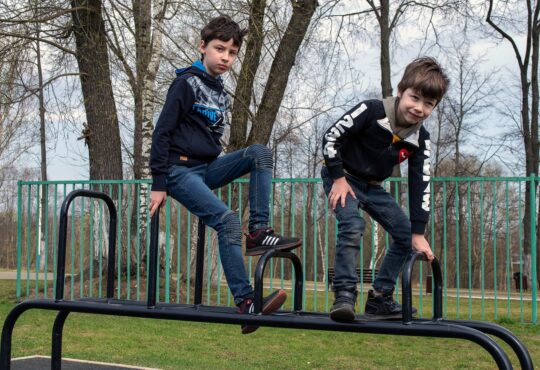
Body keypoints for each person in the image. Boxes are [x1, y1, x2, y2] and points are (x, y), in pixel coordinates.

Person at [149, 15, 301, 334]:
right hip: (179, 170)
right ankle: (246, 303)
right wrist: (159, 184)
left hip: (205, 167)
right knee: (228, 220)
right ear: (203, 47)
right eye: (220, 49)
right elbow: (161, 133)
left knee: (259, 152)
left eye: (232, 53)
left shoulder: (219, 89)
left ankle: (259, 231)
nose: (226, 58)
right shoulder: (185, 83)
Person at [321, 57, 449, 321]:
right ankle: (344, 295)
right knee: (353, 225)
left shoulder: (420, 140)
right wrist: (337, 177)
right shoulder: (371, 110)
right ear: (401, 91)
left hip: (373, 187)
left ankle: (381, 297)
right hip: (342, 178)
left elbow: (420, 183)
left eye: (429, 104)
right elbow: (332, 136)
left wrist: (418, 231)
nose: (419, 108)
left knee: (405, 236)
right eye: (415, 98)